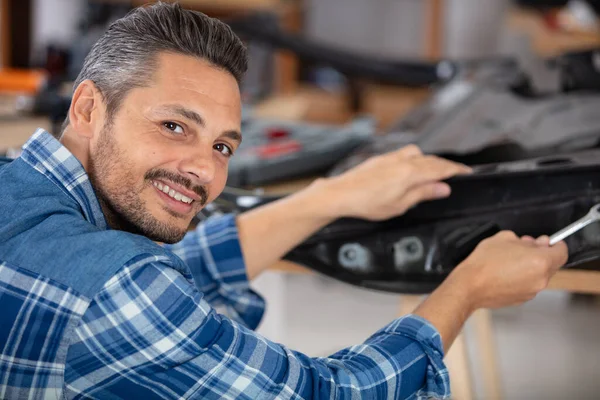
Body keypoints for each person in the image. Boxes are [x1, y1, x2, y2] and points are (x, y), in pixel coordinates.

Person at [0, 3, 568, 399]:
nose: (203, 169)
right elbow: (333, 393)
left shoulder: (19, 194)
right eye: (174, 125)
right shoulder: (120, 290)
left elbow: (144, 288)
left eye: (223, 145)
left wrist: (329, 197)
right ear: (87, 108)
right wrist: (467, 290)